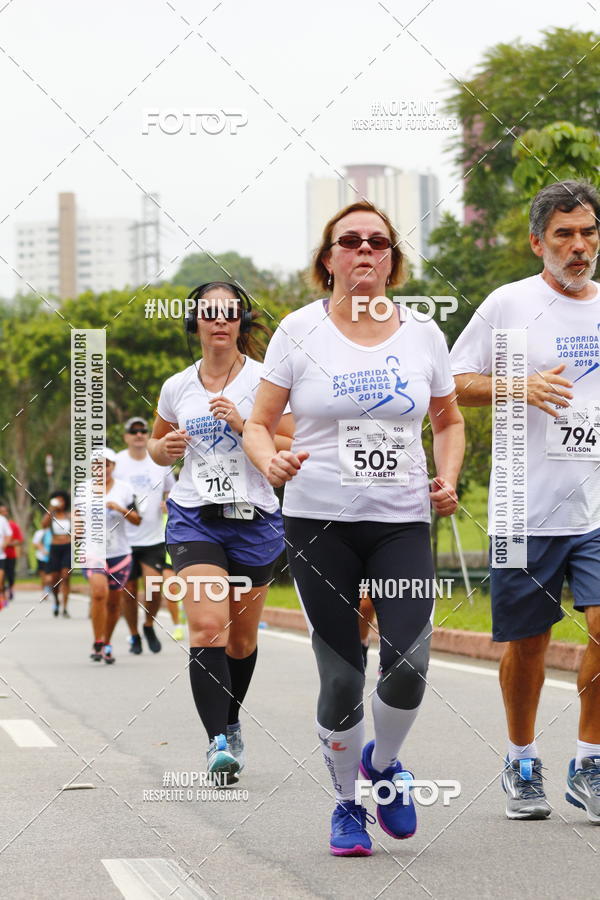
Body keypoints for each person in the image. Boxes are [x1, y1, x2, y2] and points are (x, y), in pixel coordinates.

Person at [244, 200, 464, 855]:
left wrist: (447, 478)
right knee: (341, 677)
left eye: (378, 242)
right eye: (351, 241)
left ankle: (385, 767)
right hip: (319, 524)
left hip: (400, 523)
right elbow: (259, 422)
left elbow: (449, 421)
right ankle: (346, 806)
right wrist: (269, 458)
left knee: (409, 665)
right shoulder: (297, 331)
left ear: (392, 260)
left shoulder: (423, 333)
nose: (364, 251)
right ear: (329, 258)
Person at [450, 180, 600, 824]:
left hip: (595, 507)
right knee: (529, 645)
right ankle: (521, 757)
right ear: (537, 242)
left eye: (588, 232)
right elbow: (452, 383)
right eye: (564, 234)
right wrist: (519, 385)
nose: (578, 246)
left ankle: (590, 760)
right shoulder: (509, 304)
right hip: (523, 506)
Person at [148, 281, 294, 783]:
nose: (219, 320)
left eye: (229, 312)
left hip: (254, 517)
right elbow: (154, 441)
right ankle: (216, 745)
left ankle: (231, 721)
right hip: (194, 516)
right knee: (209, 627)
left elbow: (291, 438)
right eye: (209, 312)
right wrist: (161, 450)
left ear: (240, 321)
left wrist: (244, 422)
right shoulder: (177, 385)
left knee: (240, 640)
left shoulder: (264, 379)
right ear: (195, 321)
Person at [114, 416, 176, 654]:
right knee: (128, 592)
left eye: (143, 431)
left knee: (154, 585)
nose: (139, 435)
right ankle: (134, 634)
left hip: (153, 537)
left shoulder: (159, 460)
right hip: (124, 539)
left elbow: (172, 489)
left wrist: (167, 503)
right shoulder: (117, 463)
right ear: (126, 436)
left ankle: (149, 623)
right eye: (134, 431)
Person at [80, 447, 142, 664]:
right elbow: (77, 521)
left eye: (106, 464)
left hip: (120, 552)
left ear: (113, 467)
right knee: (99, 593)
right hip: (93, 550)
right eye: (97, 464)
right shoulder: (82, 489)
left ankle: (107, 641)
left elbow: (137, 519)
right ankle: (97, 640)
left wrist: (119, 508)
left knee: (115, 603)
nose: (101, 468)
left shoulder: (125, 489)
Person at [41, 492, 72, 617]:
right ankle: (57, 601)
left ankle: (65, 607)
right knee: (54, 578)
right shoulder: (51, 516)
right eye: (57, 500)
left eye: (62, 500)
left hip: (67, 547)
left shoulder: (69, 516)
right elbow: (43, 525)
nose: (60, 503)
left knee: (66, 576)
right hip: (55, 548)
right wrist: (50, 509)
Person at [0, 503, 24, 602]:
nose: (3, 513)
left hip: (9, 555)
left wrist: (6, 544)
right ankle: (3, 593)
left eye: (4, 511)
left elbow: (19, 540)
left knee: (10, 574)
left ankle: (10, 589)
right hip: (2, 555)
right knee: (2, 576)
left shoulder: (12, 525)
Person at [32, 525, 52, 600]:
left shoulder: (54, 532)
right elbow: (34, 544)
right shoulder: (39, 533)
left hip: (53, 557)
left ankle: (48, 589)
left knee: (51, 576)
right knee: (43, 576)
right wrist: (42, 550)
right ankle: (45, 591)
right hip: (41, 557)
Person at [0, 511, 12, 608]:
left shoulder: (2, 520)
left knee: (0, 579)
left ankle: (2, 595)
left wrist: (4, 545)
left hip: (1, 555)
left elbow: (9, 534)